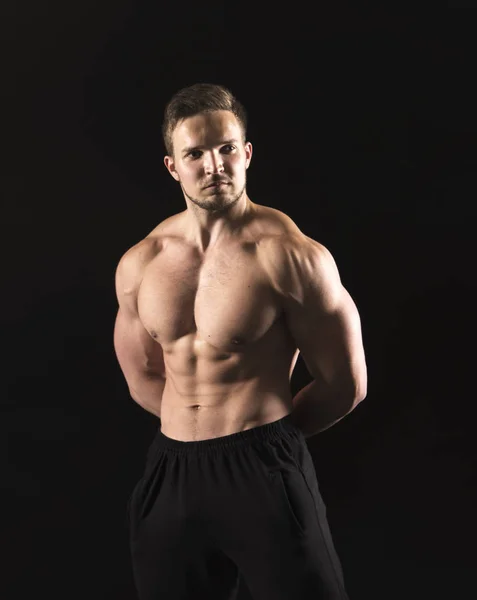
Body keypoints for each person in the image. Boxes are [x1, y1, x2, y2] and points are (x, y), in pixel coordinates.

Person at [113, 82, 367, 600]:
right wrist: (194, 429)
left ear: (246, 153)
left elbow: (345, 385)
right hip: (172, 471)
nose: (215, 166)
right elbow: (142, 376)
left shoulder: (291, 256)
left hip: (263, 467)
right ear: (173, 167)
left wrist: (267, 439)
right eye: (196, 154)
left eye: (227, 148)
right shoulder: (143, 262)